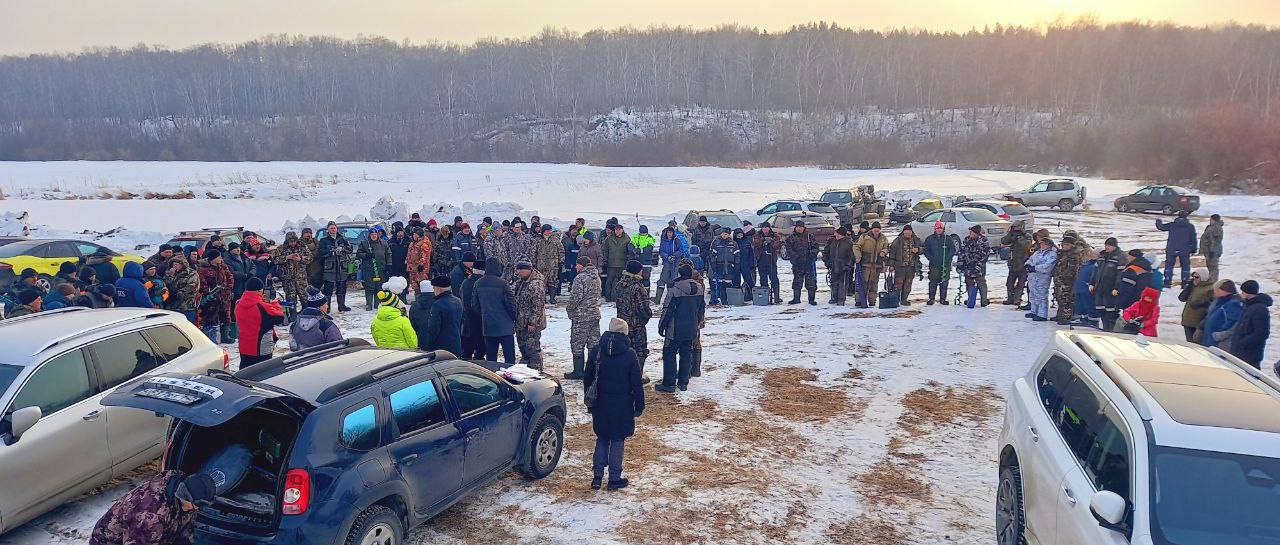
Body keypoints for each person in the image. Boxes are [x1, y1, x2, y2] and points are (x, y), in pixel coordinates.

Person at [584, 318, 645, 491]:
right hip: (622, 405)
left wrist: (589, 402)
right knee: (617, 439)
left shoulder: (597, 351)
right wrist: (639, 405)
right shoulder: (630, 354)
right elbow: (636, 383)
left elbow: (588, 379)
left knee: (602, 437)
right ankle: (614, 478)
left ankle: (597, 477)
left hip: (600, 403)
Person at [88, 470, 216, 545]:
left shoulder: (184, 494)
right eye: (198, 504)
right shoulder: (149, 515)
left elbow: (185, 534)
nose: (199, 508)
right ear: (184, 496)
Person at [657, 263, 705, 392]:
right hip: (691, 327)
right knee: (686, 353)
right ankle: (683, 382)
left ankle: (669, 383)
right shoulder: (699, 288)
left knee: (669, 354)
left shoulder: (674, 288)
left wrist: (662, 326)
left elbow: (667, 309)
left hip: (675, 328)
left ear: (679, 274)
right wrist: (698, 322)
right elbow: (701, 308)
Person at [472, 257, 518, 364]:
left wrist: (485, 314)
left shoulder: (478, 283)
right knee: (509, 359)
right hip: (505, 326)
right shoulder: (503, 284)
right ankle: (510, 379)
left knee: (491, 359)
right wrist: (513, 318)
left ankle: (492, 378)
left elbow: (474, 305)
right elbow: (511, 305)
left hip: (488, 326)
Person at [615, 260, 653, 383]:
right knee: (640, 351)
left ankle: (623, 374)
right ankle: (637, 376)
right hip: (636, 325)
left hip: (622, 324)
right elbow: (643, 308)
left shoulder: (620, 284)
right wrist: (646, 317)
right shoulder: (638, 287)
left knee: (624, 350)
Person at [565, 255, 603, 379]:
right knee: (593, 344)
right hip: (594, 314)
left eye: (577, 264)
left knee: (577, 343)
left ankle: (578, 372)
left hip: (581, 316)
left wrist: (569, 309)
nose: (576, 266)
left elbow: (575, 297)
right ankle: (593, 371)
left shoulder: (580, 278)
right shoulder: (596, 277)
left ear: (582, 265)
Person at [235, 276, 285, 367]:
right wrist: (275, 304)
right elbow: (280, 318)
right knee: (263, 373)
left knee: (245, 373)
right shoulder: (263, 306)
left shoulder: (238, 304)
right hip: (261, 348)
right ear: (259, 290)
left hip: (244, 346)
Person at [411, 276, 463, 355]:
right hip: (456, 344)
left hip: (441, 347)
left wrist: (429, 344)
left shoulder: (437, 305)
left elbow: (434, 328)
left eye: (434, 288)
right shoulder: (458, 301)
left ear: (438, 289)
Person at [512, 261, 548, 369]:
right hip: (522, 322)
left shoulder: (536, 284)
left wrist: (532, 322)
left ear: (526, 270)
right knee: (523, 346)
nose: (517, 273)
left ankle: (536, 368)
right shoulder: (523, 281)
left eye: (519, 270)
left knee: (532, 348)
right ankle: (526, 365)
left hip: (531, 324)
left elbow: (538, 305)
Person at [269, 232, 312, 320]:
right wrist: (287, 257)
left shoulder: (303, 247)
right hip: (288, 279)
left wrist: (301, 258)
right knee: (291, 299)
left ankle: (306, 316)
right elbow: (275, 260)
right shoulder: (280, 248)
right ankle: (293, 318)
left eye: (294, 241)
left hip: (301, 278)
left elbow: (310, 258)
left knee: (304, 297)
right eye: (290, 241)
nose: (293, 243)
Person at [1229, 280, 1271, 368]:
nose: (1241, 293)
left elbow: (1262, 333)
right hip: (1241, 351)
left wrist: (1243, 343)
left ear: (1248, 292)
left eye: (1243, 291)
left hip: (1249, 354)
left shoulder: (1260, 309)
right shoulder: (1249, 305)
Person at [196, 249, 235, 342]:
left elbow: (230, 277)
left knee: (226, 316)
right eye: (219, 257)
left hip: (224, 296)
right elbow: (202, 283)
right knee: (210, 318)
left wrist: (229, 288)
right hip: (212, 297)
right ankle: (210, 339)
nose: (221, 258)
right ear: (213, 258)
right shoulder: (203, 269)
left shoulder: (223, 266)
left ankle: (225, 336)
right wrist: (209, 292)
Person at [370, 278, 418, 349]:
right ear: (395, 304)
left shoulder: (375, 321)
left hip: (384, 354)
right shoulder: (403, 321)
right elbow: (411, 340)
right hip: (403, 354)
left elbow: (376, 339)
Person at [1090, 237, 1125, 330]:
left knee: (1111, 311)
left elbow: (1120, 275)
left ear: (1114, 246)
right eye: (1106, 245)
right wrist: (1092, 283)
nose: (1107, 247)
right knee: (1101, 309)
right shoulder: (1102, 256)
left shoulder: (1120, 257)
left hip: (1110, 289)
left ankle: (1112, 329)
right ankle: (1105, 328)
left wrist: (1116, 288)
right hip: (1099, 288)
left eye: (1109, 245)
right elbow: (1095, 271)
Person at [317, 221, 354, 312]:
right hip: (330, 268)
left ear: (337, 229)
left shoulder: (343, 239)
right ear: (328, 230)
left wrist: (343, 249)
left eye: (334, 228)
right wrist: (331, 251)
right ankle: (327, 308)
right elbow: (320, 253)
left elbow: (350, 249)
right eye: (331, 228)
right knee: (328, 289)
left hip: (342, 267)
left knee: (341, 287)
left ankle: (342, 306)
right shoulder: (323, 240)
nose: (333, 230)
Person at [853, 222, 890, 307]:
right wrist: (858, 256)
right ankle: (859, 300)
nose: (876, 231)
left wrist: (883, 252)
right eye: (875, 230)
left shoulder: (883, 238)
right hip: (865, 264)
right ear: (872, 229)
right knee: (862, 283)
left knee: (874, 283)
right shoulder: (864, 236)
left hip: (877, 265)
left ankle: (872, 301)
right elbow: (856, 246)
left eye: (878, 230)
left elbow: (887, 247)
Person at [1155, 211, 1197, 287]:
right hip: (1184, 249)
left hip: (1171, 248)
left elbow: (1161, 227)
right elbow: (1193, 238)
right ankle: (1184, 282)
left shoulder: (1172, 225)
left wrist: (1158, 221)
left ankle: (1167, 282)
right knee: (1185, 266)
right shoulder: (1190, 226)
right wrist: (1193, 249)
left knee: (1169, 265)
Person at [356, 226, 392, 310]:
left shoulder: (384, 243)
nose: (373, 236)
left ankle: (377, 304)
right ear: (369, 235)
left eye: (375, 234)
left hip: (381, 269)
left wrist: (389, 264)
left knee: (379, 287)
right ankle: (369, 304)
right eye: (372, 234)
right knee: (369, 287)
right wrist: (366, 255)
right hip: (369, 269)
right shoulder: (364, 243)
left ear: (378, 235)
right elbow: (359, 253)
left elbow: (389, 254)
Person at [1051, 234, 1084, 325]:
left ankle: (1066, 317)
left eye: (1066, 244)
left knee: (1067, 300)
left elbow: (1073, 271)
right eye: (1063, 244)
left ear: (1071, 245)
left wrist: (1065, 278)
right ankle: (1060, 314)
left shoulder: (1074, 256)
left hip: (1067, 282)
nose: (1064, 246)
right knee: (1059, 297)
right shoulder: (1062, 253)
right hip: (1059, 280)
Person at [922, 222, 957, 305]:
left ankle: (943, 299)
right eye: (937, 228)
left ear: (943, 229)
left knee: (944, 282)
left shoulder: (947, 238)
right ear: (935, 229)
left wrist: (947, 259)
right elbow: (926, 250)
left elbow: (952, 250)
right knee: (933, 282)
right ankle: (931, 299)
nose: (939, 230)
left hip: (945, 264)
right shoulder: (929, 239)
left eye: (940, 228)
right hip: (934, 265)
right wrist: (931, 259)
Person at [785, 220, 819, 306]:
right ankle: (796, 299)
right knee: (797, 281)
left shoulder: (809, 236)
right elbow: (788, 249)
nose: (799, 229)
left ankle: (811, 299)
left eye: (801, 227)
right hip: (797, 263)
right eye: (798, 227)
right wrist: (795, 257)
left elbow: (815, 247)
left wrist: (812, 255)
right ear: (795, 228)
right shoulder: (791, 237)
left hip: (808, 262)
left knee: (811, 281)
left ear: (804, 228)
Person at [1201, 279, 1242, 349]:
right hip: (1210, 341)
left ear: (1223, 290)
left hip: (1218, 344)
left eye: (1216, 289)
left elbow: (1232, 324)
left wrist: (1218, 335)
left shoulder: (1233, 304)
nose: (1214, 291)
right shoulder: (1219, 301)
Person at [887, 224, 922, 306]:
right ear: (903, 232)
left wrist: (918, 249)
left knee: (908, 285)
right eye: (906, 232)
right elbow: (892, 253)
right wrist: (891, 265)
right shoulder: (898, 240)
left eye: (909, 232)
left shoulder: (916, 240)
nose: (908, 234)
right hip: (900, 267)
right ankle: (895, 300)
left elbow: (923, 249)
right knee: (898, 284)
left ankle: (904, 300)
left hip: (911, 267)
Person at [459, 258, 486, 359]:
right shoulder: (483, 283)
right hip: (480, 323)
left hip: (467, 323)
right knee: (480, 354)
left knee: (466, 353)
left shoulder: (466, 282)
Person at [1025, 237, 1057, 322]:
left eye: (1044, 244)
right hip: (1033, 277)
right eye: (1041, 244)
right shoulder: (1037, 252)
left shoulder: (1052, 254)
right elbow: (1030, 260)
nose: (1042, 245)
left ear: (1049, 245)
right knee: (1033, 294)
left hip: (1043, 278)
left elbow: (1048, 266)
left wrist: (1035, 268)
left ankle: (1042, 314)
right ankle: (1034, 311)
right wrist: (1028, 265)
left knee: (1042, 295)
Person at [1000, 221, 1032, 307]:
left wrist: (1019, 237)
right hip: (1013, 263)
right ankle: (1010, 298)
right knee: (1009, 282)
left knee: (1021, 283)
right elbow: (1004, 241)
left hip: (1023, 263)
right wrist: (1010, 233)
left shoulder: (1027, 236)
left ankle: (1017, 299)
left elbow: (1026, 246)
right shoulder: (1012, 235)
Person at [1178, 268, 1215, 342]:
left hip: (1198, 321)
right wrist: (1189, 286)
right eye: (1193, 277)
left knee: (1196, 344)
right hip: (1187, 320)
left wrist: (1201, 303)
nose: (1194, 279)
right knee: (1189, 343)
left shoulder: (1210, 288)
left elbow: (1212, 303)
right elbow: (1181, 298)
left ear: (1203, 277)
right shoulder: (1193, 286)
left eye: (1197, 277)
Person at [655, 226, 687, 304]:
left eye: (671, 232)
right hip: (666, 264)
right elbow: (661, 251)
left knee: (673, 281)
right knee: (662, 281)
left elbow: (681, 250)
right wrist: (667, 257)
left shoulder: (677, 240)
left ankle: (671, 299)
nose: (669, 234)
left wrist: (674, 256)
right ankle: (657, 299)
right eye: (668, 232)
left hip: (675, 264)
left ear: (673, 233)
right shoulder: (663, 241)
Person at [707, 228, 739, 306]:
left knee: (727, 283)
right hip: (718, 266)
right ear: (721, 234)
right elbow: (712, 255)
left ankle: (725, 299)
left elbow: (737, 255)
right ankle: (714, 300)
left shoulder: (733, 243)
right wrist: (713, 264)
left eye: (727, 234)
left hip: (729, 267)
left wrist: (737, 264)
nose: (725, 236)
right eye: (724, 234)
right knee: (716, 283)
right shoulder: (716, 242)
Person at [164, 256, 201, 323]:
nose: (174, 266)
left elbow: (191, 288)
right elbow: (165, 285)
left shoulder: (191, 273)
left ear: (183, 264)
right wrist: (170, 276)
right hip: (171, 307)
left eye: (177, 264)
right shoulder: (169, 273)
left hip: (186, 307)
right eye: (173, 264)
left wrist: (175, 294)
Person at [823, 227, 854, 305]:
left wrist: (848, 265)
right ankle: (834, 297)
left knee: (842, 283)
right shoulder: (831, 241)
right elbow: (826, 252)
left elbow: (851, 256)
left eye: (836, 232)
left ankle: (841, 299)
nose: (835, 233)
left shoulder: (849, 242)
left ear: (840, 234)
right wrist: (826, 261)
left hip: (843, 265)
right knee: (833, 282)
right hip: (833, 265)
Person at [535, 224, 565, 303]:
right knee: (542, 282)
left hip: (553, 265)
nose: (549, 232)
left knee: (553, 281)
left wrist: (561, 260)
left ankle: (552, 298)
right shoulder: (538, 240)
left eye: (550, 230)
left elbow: (561, 250)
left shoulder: (555, 240)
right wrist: (533, 263)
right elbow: (533, 252)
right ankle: (543, 298)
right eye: (547, 230)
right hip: (541, 265)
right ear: (543, 231)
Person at [602, 224, 630, 301]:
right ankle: (608, 297)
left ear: (622, 230)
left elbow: (629, 252)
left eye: (619, 230)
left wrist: (627, 262)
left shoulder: (627, 239)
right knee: (609, 281)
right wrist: (605, 260)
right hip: (611, 264)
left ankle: (618, 297)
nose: (617, 231)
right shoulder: (609, 238)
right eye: (616, 230)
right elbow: (605, 250)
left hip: (622, 264)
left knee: (621, 282)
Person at [406, 227, 434, 298]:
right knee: (415, 286)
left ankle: (423, 300)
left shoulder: (424, 243)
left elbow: (425, 256)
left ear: (418, 235)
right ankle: (418, 299)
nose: (413, 235)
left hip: (420, 269)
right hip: (413, 268)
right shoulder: (413, 243)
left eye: (414, 234)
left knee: (422, 285)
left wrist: (421, 265)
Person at [733, 227, 756, 303]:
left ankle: (751, 294)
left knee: (749, 280)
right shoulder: (733, 243)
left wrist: (752, 264)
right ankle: (737, 295)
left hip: (745, 263)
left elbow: (751, 254)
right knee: (736, 280)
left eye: (741, 235)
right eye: (738, 236)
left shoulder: (747, 242)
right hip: (736, 264)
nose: (740, 237)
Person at [1200, 214, 1224, 281]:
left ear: (1214, 220)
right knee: (1211, 268)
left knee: (1213, 268)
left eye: (1211, 220)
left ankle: (1213, 284)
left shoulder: (1215, 228)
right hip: (1211, 251)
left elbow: (1214, 241)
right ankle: (1211, 282)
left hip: (1212, 252)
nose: (1210, 221)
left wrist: (1211, 251)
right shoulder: (1213, 227)